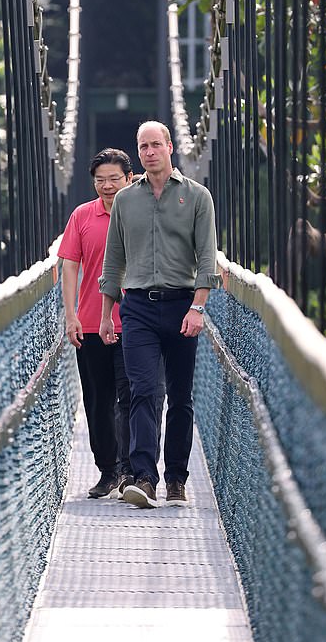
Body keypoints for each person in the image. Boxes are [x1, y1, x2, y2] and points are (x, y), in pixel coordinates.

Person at [99, 121, 218, 509]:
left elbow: (207, 258)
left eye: (155, 145)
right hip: (137, 309)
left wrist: (198, 307)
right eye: (143, 146)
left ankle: (176, 479)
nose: (149, 152)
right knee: (144, 390)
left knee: (181, 397)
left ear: (170, 146)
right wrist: (106, 314)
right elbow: (113, 260)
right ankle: (145, 477)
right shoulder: (125, 201)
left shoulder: (198, 197)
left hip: (184, 305)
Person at [58, 148, 135, 499]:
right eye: (100, 180)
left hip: (134, 322)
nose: (106, 186)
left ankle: (129, 470)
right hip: (90, 322)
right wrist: (70, 313)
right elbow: (70, 265)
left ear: (129, 179)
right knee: (96, 401)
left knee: (130, 397)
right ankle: (107, 470)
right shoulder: (81, 216)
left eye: (114, 179)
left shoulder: (140, 212)